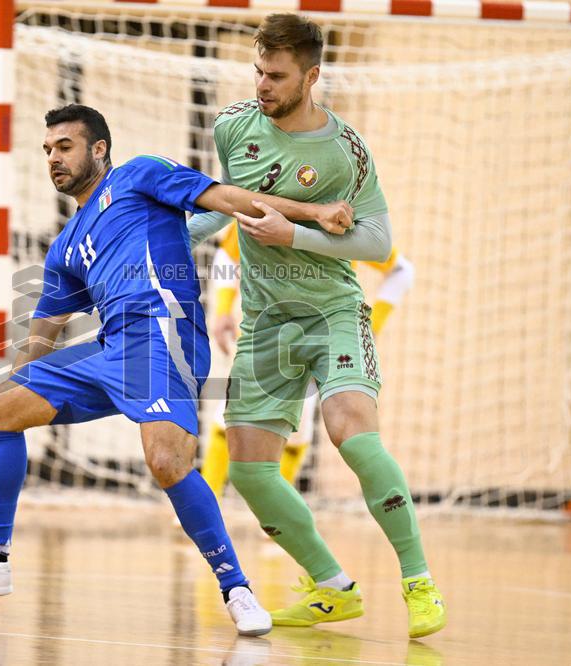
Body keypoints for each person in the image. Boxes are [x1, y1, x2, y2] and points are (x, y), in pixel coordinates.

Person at [0, 103, 353, 637]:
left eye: (65, 147)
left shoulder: (139, 175)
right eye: (48, 151)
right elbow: (43, 329)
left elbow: (223, 197)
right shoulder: (65, 245)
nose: (54, 159)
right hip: (111, 350)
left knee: (167, 462)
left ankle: (237, 589)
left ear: (98, 149)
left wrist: (310, 213)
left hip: (163, 334)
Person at [187, 14, 446, 639]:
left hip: (331, 311)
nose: (263, 86)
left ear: (312, 75)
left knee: (350, 432)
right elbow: (221, 208)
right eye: (258, 72)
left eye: (276, 76)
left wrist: (295, 234)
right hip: (265, 320)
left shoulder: (345, 150)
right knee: (249, 469)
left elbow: (380, 240)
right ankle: (332, 588)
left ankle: (417, 582)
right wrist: (154, 240)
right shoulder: (233, 128)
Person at [200, 223, 416, 493]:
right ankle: (207, 502)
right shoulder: (268, 202)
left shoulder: (348, 224)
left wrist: (369, 328)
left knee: (296, 431)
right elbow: (227, 254)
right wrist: (222, 311)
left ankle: (277, 517)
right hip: (265, 328)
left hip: (318, 339)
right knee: (231, 415)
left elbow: (402, 272)